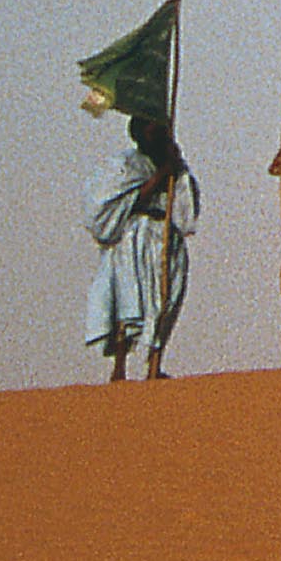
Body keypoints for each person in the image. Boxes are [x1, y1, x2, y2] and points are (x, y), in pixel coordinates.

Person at [84, 116, 193, 381]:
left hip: (166, 237)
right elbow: (111, 205)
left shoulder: (172, 164)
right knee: (129, 304)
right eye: (154, 131)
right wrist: (160, 176)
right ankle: (120, 369)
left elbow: (186, 202)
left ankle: (154, 366)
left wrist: (174, 167)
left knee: (164, 302)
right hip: (135, 239)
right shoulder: (125, 166)